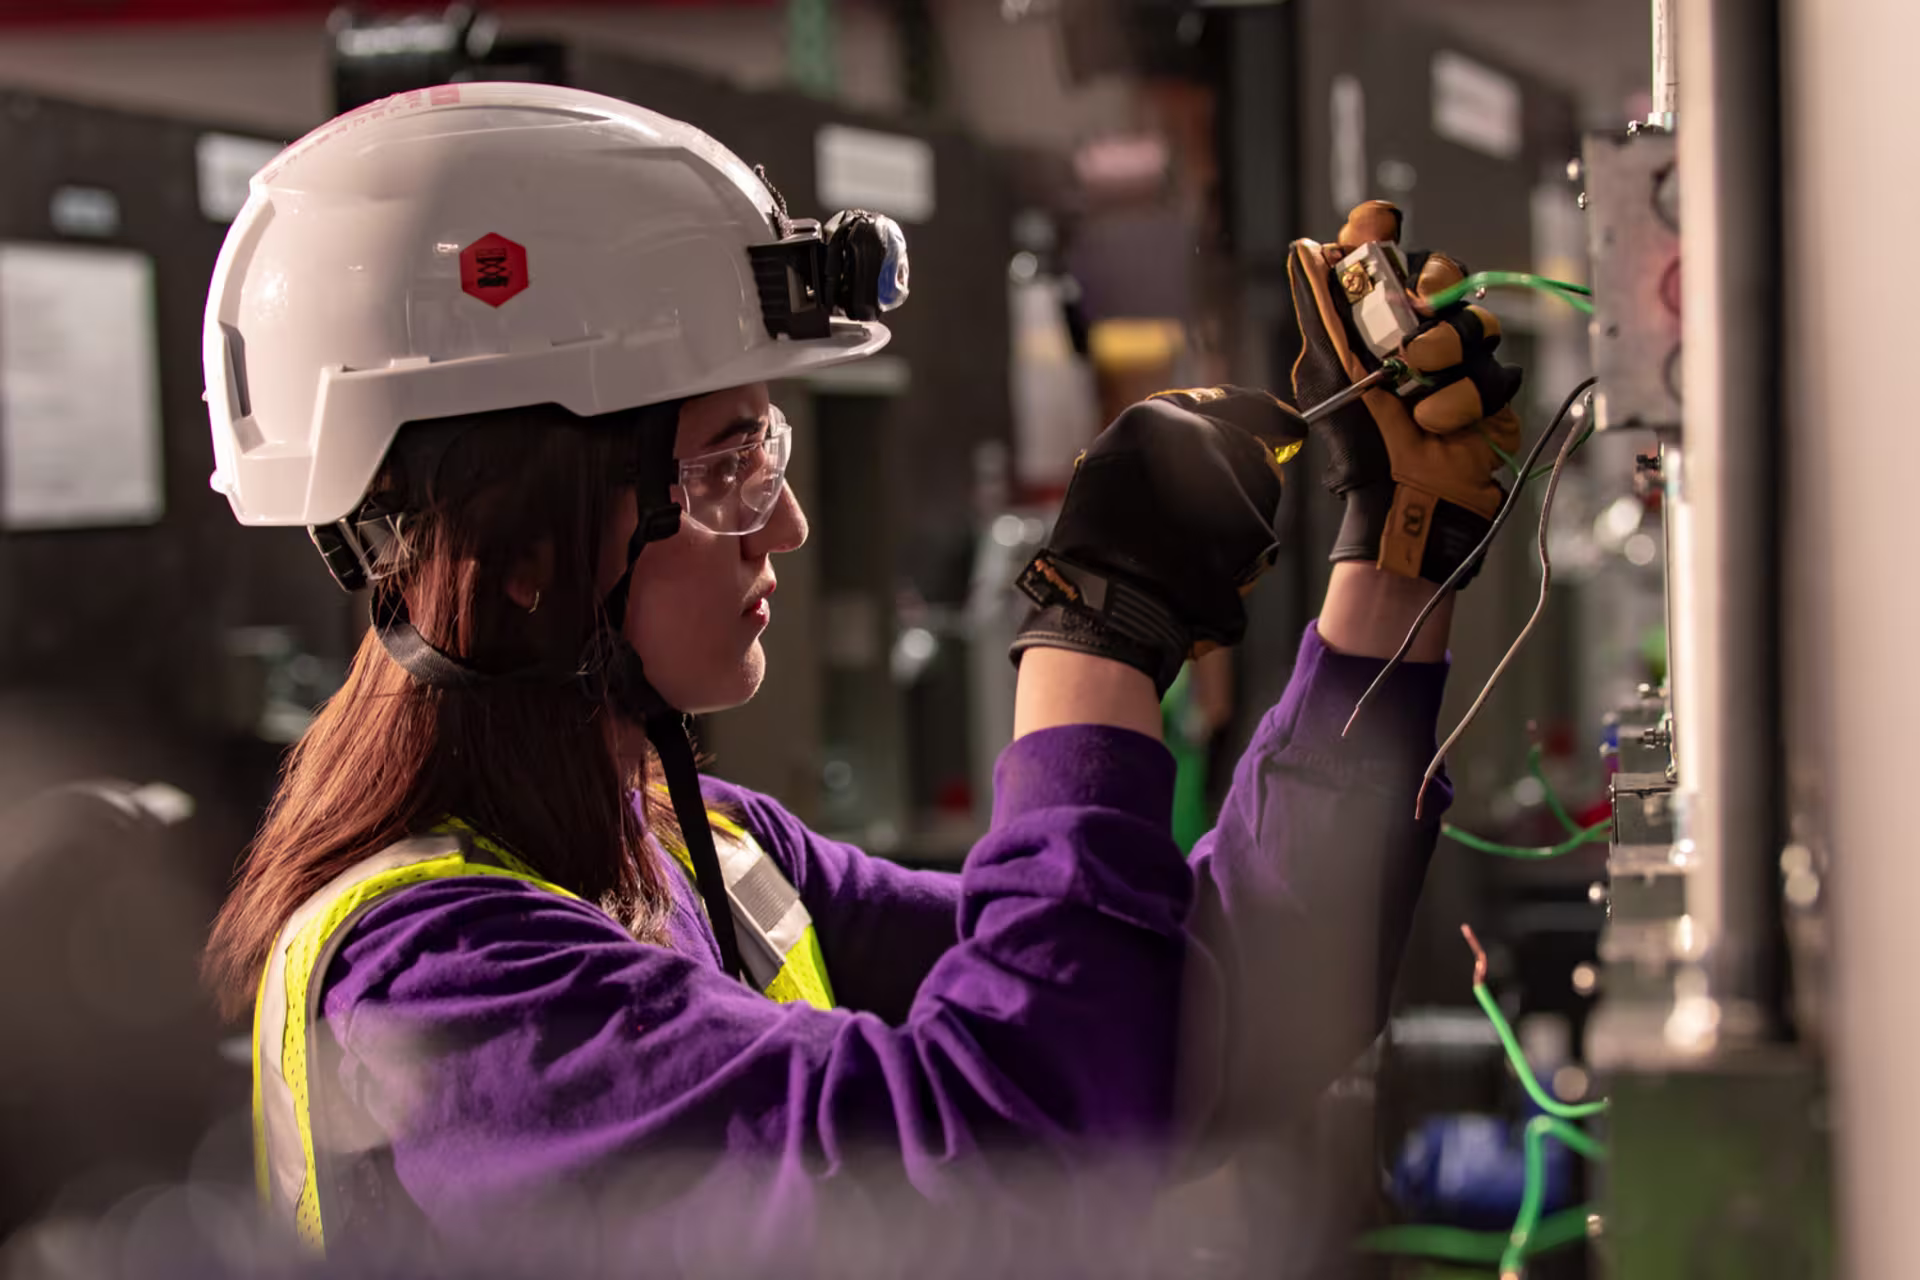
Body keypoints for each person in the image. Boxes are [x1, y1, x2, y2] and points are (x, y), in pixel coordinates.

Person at [199, 84, 1522, 1271]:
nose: (784, 526)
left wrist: (1393, 564)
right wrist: (1092, 644)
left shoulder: (706, 854)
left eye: (767, 451)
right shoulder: (446, 994)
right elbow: (1008, 1176)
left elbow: (1202, 1020)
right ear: (524, 537)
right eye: (728, 468)